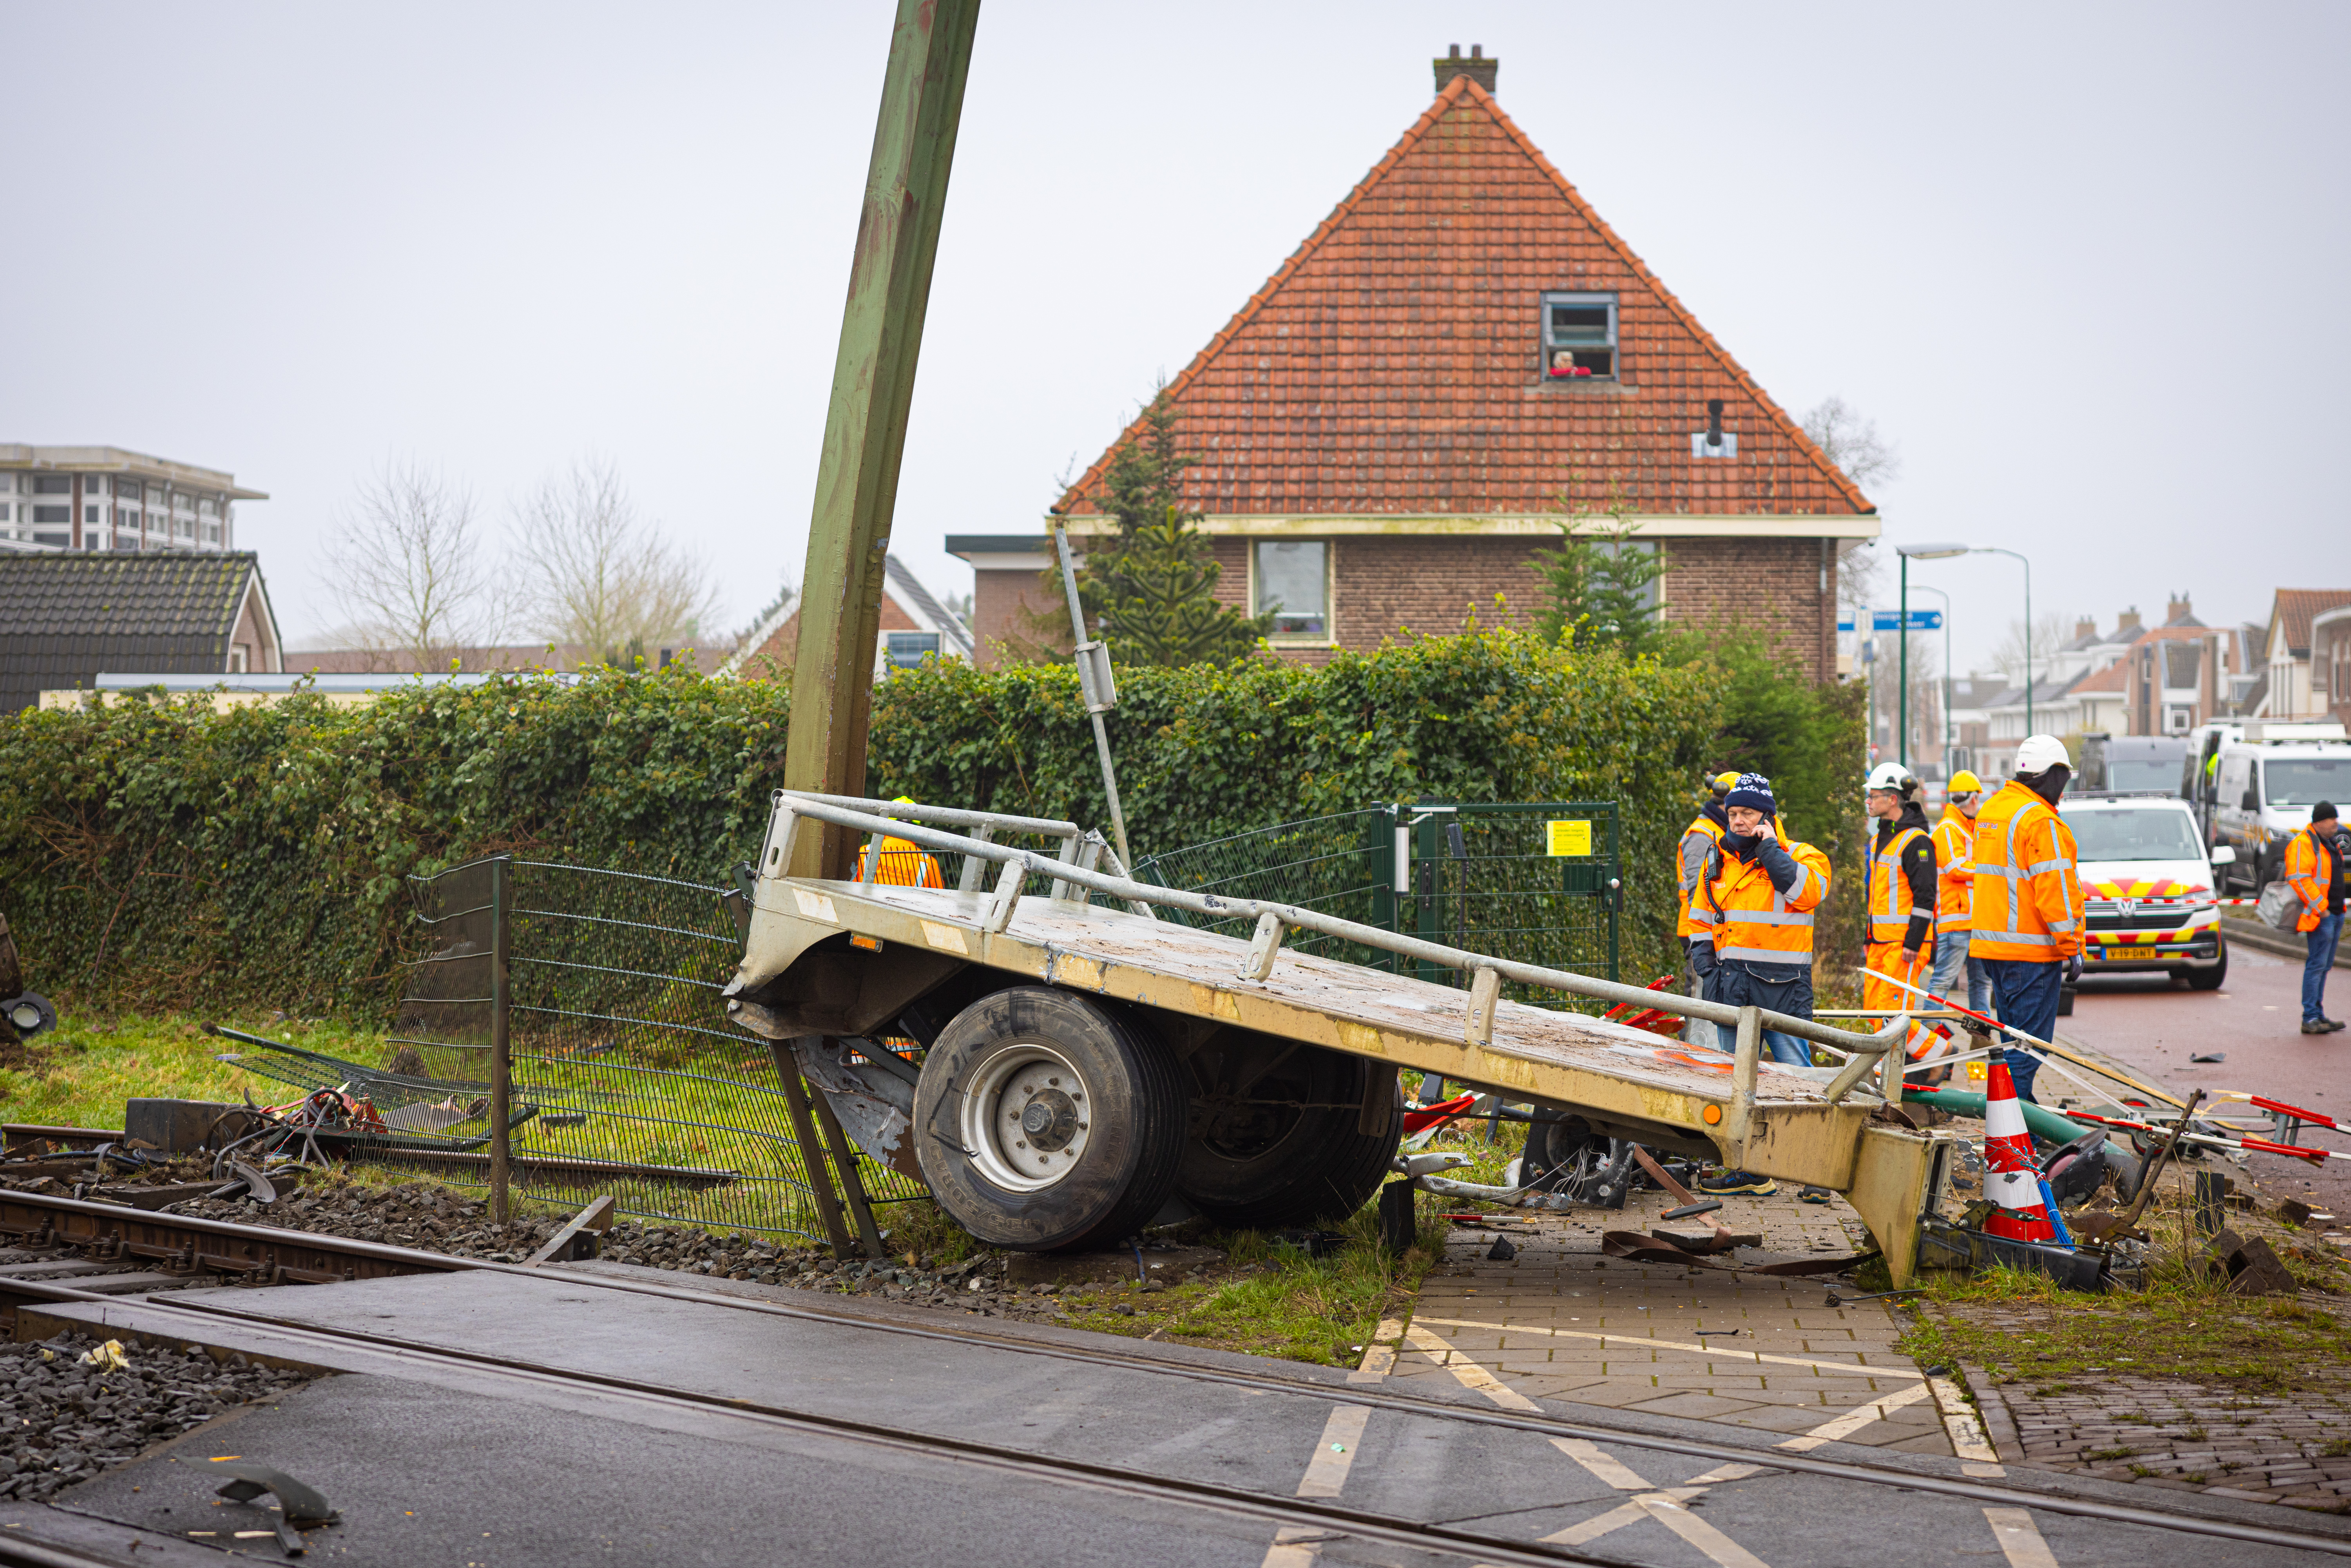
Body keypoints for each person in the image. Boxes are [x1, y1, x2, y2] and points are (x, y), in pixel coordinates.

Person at [1685, 772, 1832, 1196]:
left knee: (1798, 1085)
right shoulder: (1719, 860)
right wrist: (1708, 972)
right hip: (1732, 989)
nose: (1738, 821)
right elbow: (1700, 922)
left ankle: (1816, 1173)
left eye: (1747, 813)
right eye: (1733, 813)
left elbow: (1807, 893)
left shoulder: (1802, 855)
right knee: (1738, 1086)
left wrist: (1769, 849)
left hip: (1784, 991)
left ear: (1767, 816)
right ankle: (1750, 1170)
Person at [1969, 737, 2085, 1102]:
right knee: (2028, 1050)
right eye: (2063, 781)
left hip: (1993, 949)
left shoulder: (1993, 811)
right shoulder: (2039, 821)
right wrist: (2073, 946)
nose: (2063, 792)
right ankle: (2009, 1143)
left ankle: (2024, 1132)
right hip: (2030, 954)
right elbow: (2056, 892)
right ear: (2051, 775)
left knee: (2013, 1044)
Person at [1862, 762, 1943, 1074]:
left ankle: (1898, 1072)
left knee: (1891, 1014)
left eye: (1874, 796)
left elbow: (1926, 896)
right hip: (1881, 942)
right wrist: (1868, 939)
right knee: (1872, 1012)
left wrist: (1913, 940)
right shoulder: (1879, 840)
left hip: (1904, 943)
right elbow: (1877, 897)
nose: (1869, 801)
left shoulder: (1917, 842)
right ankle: (1937, 1052)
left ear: (1893, 799)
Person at [1677, 771, 1740, 1036]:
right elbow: (1697, 894)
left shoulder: (1719, 830)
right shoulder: (1702, 836)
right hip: (1700, 934)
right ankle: (1692, 1055)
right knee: (1699, 1002)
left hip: (1717, 932)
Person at [1930, 770, 1991, 1016]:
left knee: (1981, 984)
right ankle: (1929, 1042)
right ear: (1975, 799)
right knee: (1942, 983)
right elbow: (1955, 869)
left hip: (1976, 921)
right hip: (1957, 921)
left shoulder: (1970, 828)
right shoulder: (1948, 829)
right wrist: (1991, 871)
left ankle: (1983, 1043)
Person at [2284, 800, 2346, 1034]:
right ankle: (2310, 1017)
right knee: (2317, 965)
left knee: (2325, 966)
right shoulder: (2304, 843)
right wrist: (2322, 908)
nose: (2336, 824)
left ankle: (2318, 1015)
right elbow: (2299, 878)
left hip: (2335, 914)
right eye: (2333, 819)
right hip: (2322, 916)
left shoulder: (2328, 842)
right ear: (2319, 821)